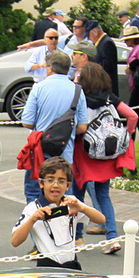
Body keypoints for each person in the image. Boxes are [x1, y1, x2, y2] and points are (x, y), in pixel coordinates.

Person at [73, 62, 138, 255]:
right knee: (103, 195)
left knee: (77, 197)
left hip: (84, 154)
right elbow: (132, 116)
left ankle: (77, 238)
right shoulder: (111, 98)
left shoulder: (80, 98)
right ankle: (111, 238)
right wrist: (129, 133)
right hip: (106, 153)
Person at [21, 49, 91, 203]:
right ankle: (63, 225)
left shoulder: (39, 88)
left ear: (50, 68)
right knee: (64, 196)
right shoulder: (77, 90)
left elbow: (27, 121)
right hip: (64, 151)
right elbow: (82, 127)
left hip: (40, 150)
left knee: (34, 194)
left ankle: (39, 224)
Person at [12, 156, 106, 269]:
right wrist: (33, 219)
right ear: (41, 183)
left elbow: (101, 220)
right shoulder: (33, 208)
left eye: (61, 181)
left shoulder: (71, 202)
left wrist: (81, 208)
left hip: (71, 266)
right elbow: (15, 241)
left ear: (68, 185)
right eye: (50, 180)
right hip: (47, 268)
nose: (55, 185)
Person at [121, 26, 139, 141]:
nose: (125, 42)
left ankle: (132, 137)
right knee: (138, 111)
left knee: (133, 110)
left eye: (128, 39)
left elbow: (134, 64)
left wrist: (129, 68)